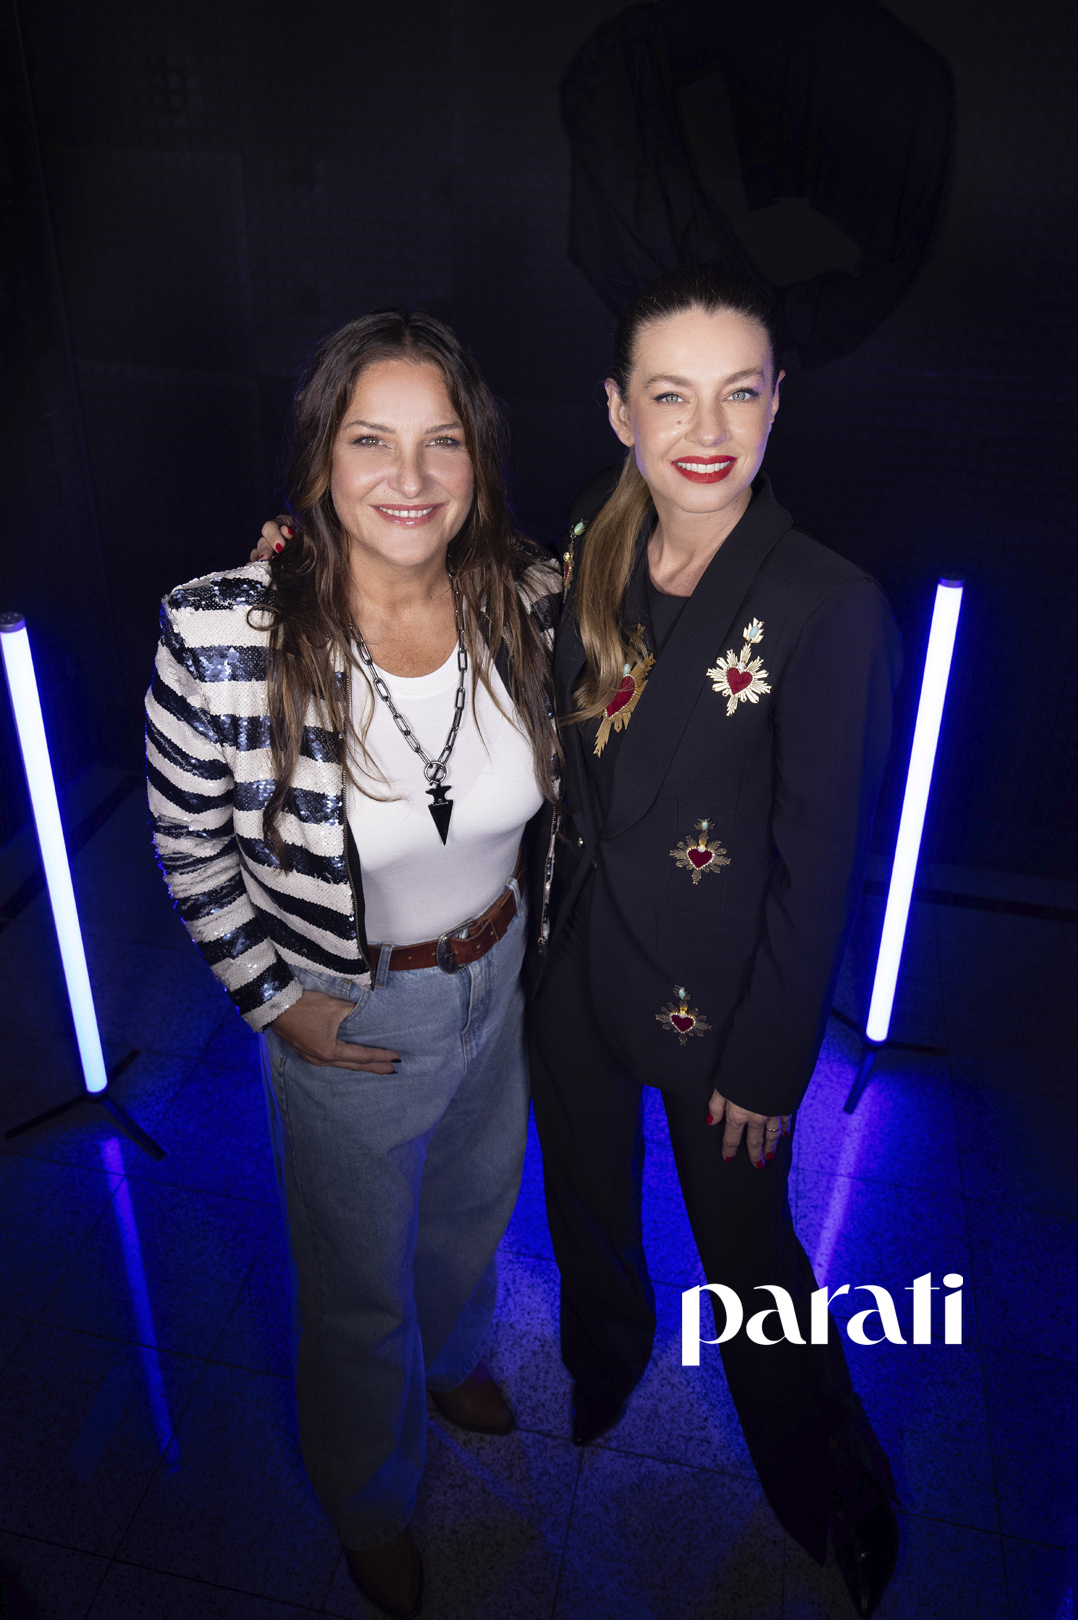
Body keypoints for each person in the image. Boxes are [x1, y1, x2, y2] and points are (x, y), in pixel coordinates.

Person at [257, 265, 903, 1617]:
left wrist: (771, 1062)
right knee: (587, 1211)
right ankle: (603, 1375)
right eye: (670, 394)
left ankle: (826, 1480)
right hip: (560, 976)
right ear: (620, 410)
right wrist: (310, 553)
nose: (704, 427)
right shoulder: (590, 548)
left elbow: (820, 870)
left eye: (738, 392)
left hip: (720, 1016)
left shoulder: (828, 604)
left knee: (753, 1263)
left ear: (777, 403)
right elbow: (445, 590)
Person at [146, 308, 560, 1620]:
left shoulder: (521, 596)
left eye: (443, 440)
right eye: (371, 439)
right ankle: (370, 1496)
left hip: (500, 973)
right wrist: (277, 1005)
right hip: (350, 1003)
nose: (411, 475)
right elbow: (188, 844)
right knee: (354, 1285)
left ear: (478, 456)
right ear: (320, 455)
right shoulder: (222, 633)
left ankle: (454, 1360)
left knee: (473, 1212)